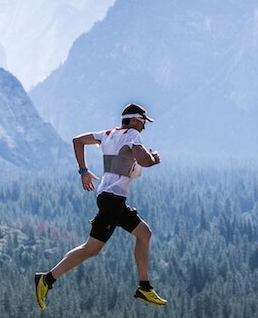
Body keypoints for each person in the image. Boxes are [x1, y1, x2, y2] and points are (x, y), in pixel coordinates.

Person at [34, 103, 167, 309]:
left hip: (110, 197)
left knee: (144, 234)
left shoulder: (108, 134)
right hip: (112, 199)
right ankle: (47, 279)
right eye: (142, 122)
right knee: (91, 249)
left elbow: (77, 140)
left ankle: (144, 287)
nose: (143, 127)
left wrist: (83, 171)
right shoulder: (132, 135)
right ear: (133, 120)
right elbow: (144, 160)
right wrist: (153, 159)